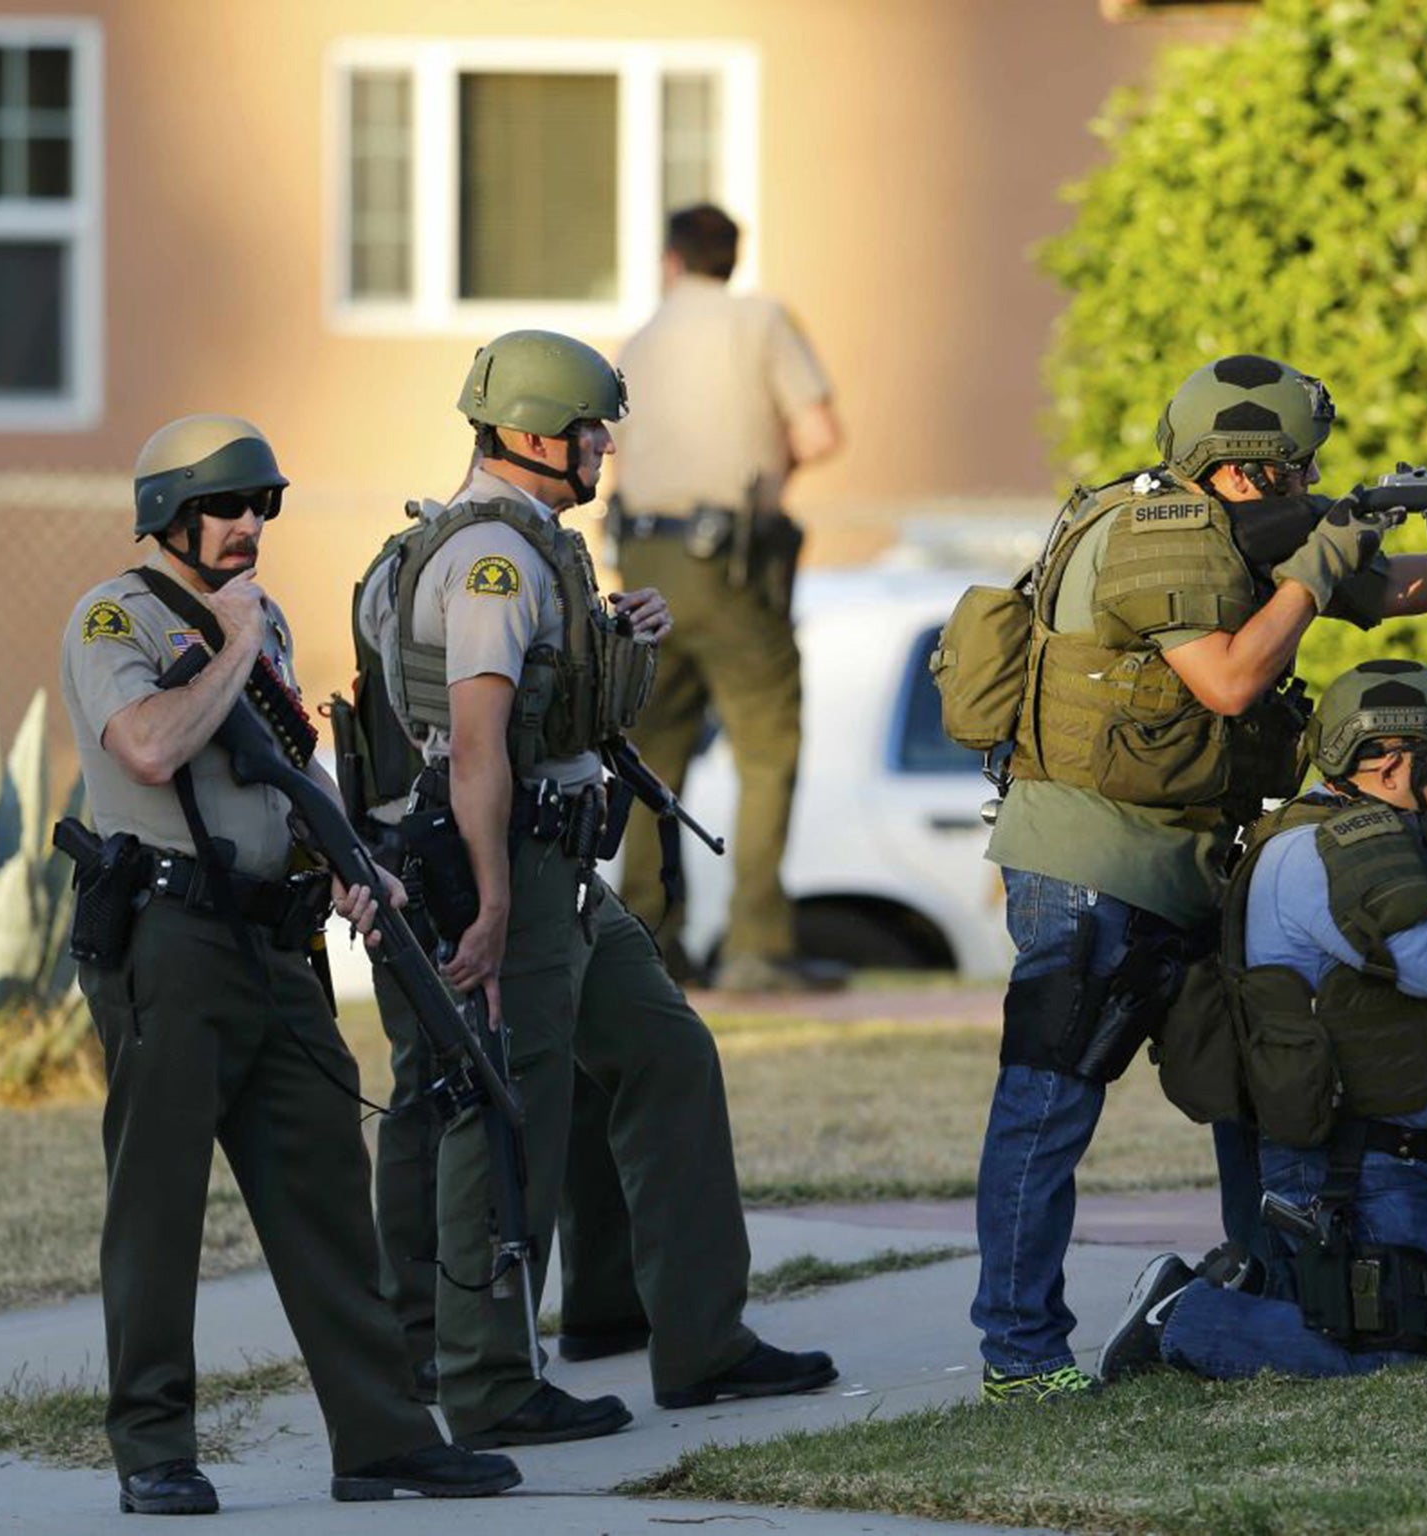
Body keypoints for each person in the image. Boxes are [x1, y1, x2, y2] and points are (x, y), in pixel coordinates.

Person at [953, 355, 1427, 1402]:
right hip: (1092, 866)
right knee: (1046, 1106)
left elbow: (1376, 591)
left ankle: (1266, 1291)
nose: (1304, 487)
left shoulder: (1218, 532)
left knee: (1260, 1080)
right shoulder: (1154, 537)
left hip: (1177, 861)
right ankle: (1018, 1356)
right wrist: (1315, 562)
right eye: (1292, 470)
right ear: (1242, 468)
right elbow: (1233, 679)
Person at [358, 330, 838, 1450]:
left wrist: (612, 638)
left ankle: (702, 1344)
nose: (605, 444)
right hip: (511, 868)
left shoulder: (533, 549)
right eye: (587, 428)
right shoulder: (493, 560)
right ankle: (485, 1381)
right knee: (505, 1112)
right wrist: (487, 906)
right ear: (530, 435)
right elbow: (474, 744)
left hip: (563, 868)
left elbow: (528, 701)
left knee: (667, 1055)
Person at [59, 415, 518, 1514]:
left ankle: (381, 1439)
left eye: (263, 505)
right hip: (169, 943)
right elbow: (154, 745)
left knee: (326, 1200)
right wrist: (228, 642)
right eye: (226, 506)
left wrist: (349, 866)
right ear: (171, 512)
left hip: (279, 942)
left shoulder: (260, 625)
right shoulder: (113, 616)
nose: (249, 525)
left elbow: (275, 780)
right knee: (158, 1206)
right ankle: (155, 1448)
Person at [1096, 661, 1427, 1382]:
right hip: (1350, 1169)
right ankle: (1180, 1312)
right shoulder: (1328, 849)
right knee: (1384, 1349)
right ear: (1394, 764)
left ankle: (1263, 1285)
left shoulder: (1358, 831)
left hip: (1413, 1164)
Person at [609, 202, 842, 993]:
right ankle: (754, 944)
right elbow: (818, 436)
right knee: (766, 749)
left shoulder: (638, 340)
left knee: (647, 755)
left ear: (670, 261)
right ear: (732, 259)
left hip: (642, 557)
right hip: (733, 564)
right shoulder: (762, 321)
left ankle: (642, 938)